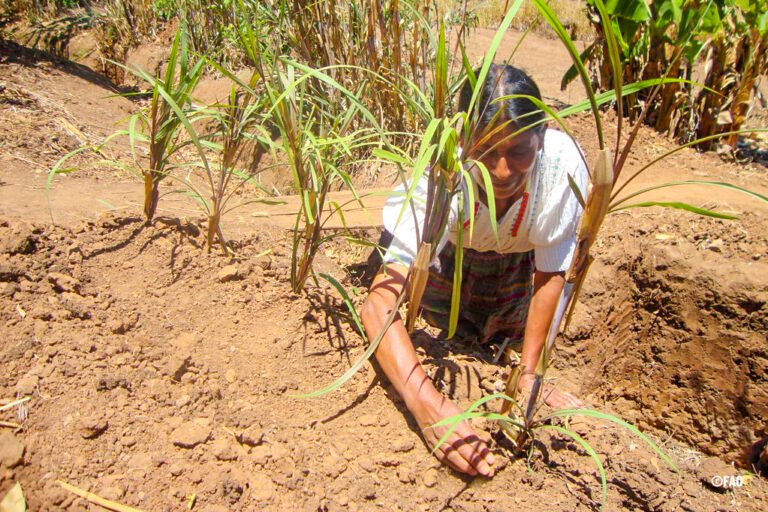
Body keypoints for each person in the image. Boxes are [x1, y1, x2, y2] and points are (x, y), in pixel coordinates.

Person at [360, 64, 587, 478]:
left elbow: (550, 275)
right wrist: (427, 404)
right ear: (463, 140)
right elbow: (378, 308)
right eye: (486, 151)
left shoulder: (562, 170)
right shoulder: (439, 179)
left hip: (514, 267)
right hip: (445, 263)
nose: (501, 172)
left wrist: (528, 374)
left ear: (542, 136)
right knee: (434, 322)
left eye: (519, 151)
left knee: (502, 338)